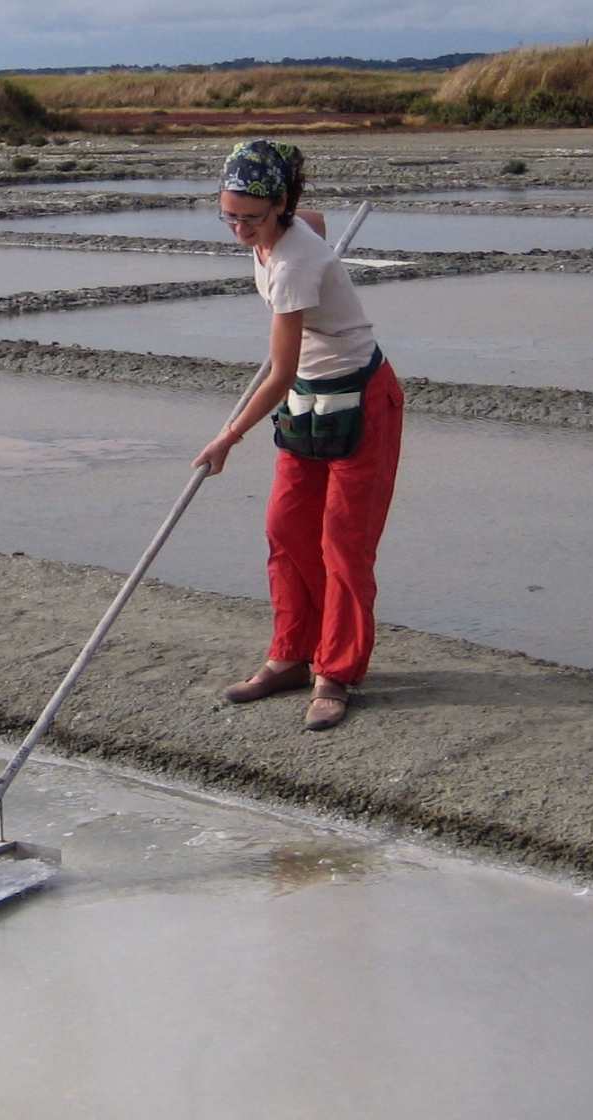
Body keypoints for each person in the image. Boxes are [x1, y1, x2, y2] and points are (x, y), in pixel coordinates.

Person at [193, 139, 403, 731]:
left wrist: (228, 437)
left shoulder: (290, 266)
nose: (239, 230)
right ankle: (290, 655)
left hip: (361, 402)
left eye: (251, 219)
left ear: (279, 205)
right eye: (228, 216)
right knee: (285, 529)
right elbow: (315, 220)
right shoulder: (288, 228)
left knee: (344, 545)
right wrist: (300, 236)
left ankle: (335, 672)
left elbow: (278, 372)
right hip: (307, 404)